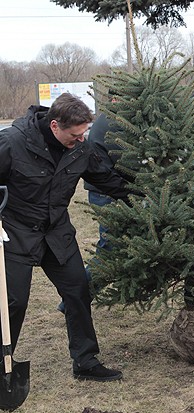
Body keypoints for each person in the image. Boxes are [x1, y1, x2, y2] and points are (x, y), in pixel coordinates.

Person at [0, 93, 130, 382]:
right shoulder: (13, 142)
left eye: (84, 133)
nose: (82, 140)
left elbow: (108, 181)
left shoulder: (79, 148)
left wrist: (152, 194)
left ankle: (85, 362)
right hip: (14, 234)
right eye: (75, 135)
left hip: (56, 232)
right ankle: (3, 369)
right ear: (55, 125)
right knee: (13, 302)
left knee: (77, 290)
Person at [57, 94, 123, 313]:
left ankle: (74, 301)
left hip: (112, 188)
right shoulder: (111, 123)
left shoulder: (119, 120)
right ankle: (73, 302)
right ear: (115, 100)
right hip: (105, 193)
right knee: (110, 250)